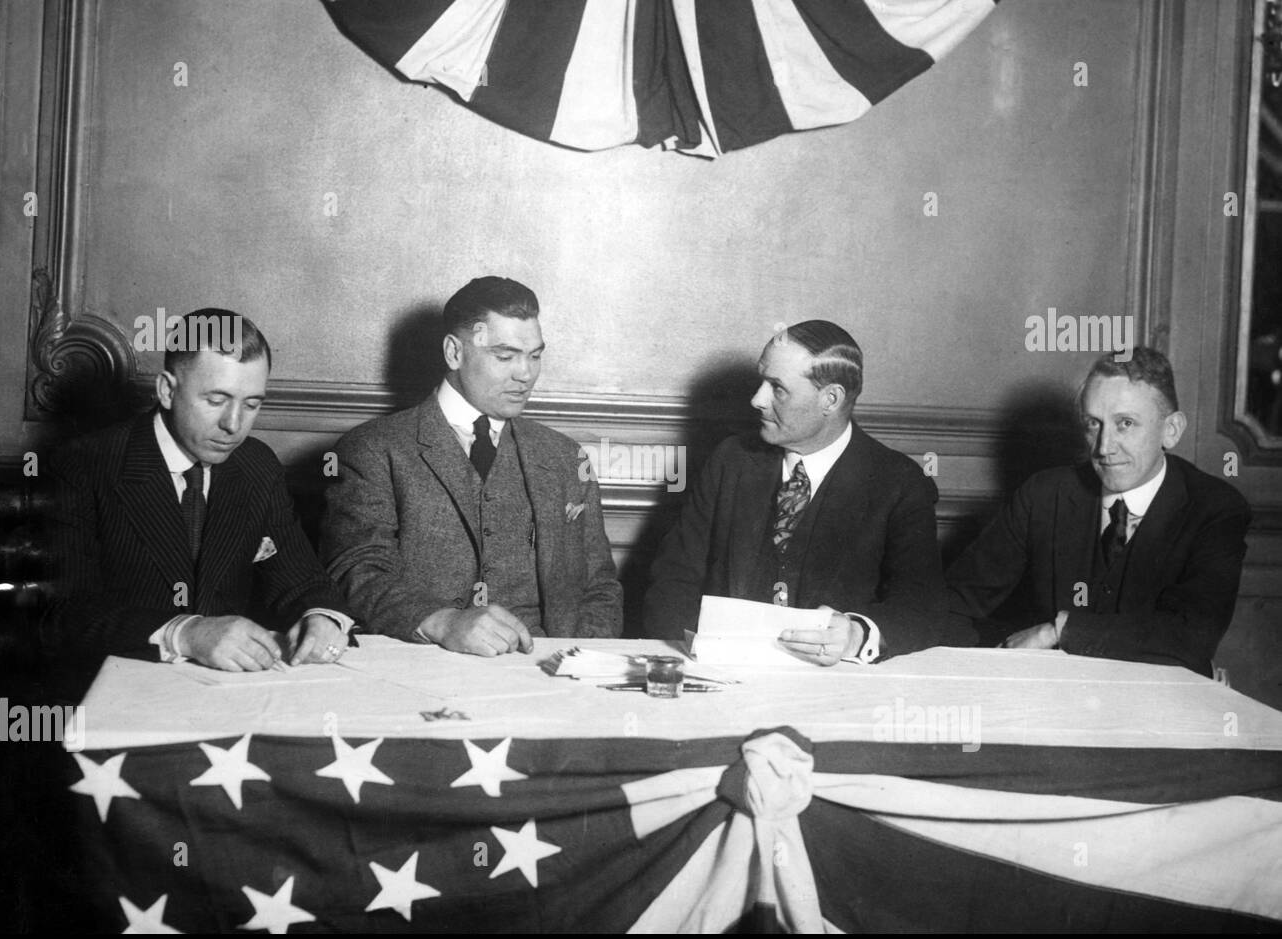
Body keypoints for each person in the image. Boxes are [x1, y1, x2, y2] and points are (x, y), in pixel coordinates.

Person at [320, 276, 622, 656]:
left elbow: (600, 587)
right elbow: (358, 571)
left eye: (535, 355)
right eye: (505, 355)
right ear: (454, 352)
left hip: (551, 674)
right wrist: (442, 622)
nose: (525, 374)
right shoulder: (373, 449)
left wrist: (580, 663)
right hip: (423, 669)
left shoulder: (565, 458)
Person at [43, 309, 353, 675]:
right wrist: (186, 633)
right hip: (122, 689)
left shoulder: (257, 466)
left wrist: (322, 617)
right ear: (167, 390)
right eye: (216, 400)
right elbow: (61, 613)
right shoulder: (83, 465)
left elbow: (302, 579)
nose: (234, 425)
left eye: (252, 404)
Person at [644, 320, 945, 664]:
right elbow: (672, 581)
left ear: (830, 399)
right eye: (762, 380)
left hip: (838, 688)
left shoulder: (899, 483)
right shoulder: (730, 460)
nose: (757, 399)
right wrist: (691, 660)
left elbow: (922, 608)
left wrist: (856, 635)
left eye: (777, 388)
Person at [945, 348, 1250, 677]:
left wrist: (1058, 630)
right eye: (1094, 424)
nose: (1103, 447)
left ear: (1171, 430)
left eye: (1126, 424)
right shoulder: (1044, 495)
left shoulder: (1215, 508)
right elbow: (957, 600)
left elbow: (1192, 637)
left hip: (1156, 707)